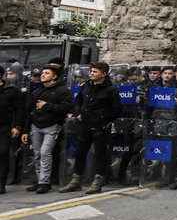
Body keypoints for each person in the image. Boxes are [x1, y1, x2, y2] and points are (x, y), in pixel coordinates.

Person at [60, 62, 122, 194]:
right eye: (91, 71)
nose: (92, 74)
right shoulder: (86, 85)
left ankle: (97, 183)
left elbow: (116, 109)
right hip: (84, 125)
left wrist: (104, 121)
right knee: (80, 153)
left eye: (95, 72)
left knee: (100, 155)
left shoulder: (111, 90)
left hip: (100, 127)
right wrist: (78, 113)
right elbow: (78, 101)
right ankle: (76, 181)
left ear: (103, 74)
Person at [22, 65, 72, 194]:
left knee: (45, 152)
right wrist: (26, 130)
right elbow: (28, 111)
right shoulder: (36, 91)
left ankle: (45, 182)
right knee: (37, 154)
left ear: (54, 76)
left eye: (47, 73)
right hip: (36, 126)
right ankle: (40, 181)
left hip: (52, 126)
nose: (43, 75)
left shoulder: (62, 90)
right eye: (42, 73)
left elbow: (66, 108)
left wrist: (46, 105)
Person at [0, 64, 26, 193]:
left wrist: (17, 126)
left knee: (3, 153)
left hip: (5, 127)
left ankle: (1, 182)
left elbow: (19, 110)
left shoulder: (11, 90)